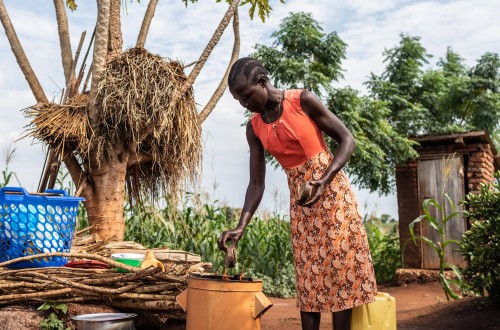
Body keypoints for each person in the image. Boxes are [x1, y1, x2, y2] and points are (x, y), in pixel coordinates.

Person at [217, 57, 378, 330]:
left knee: (342, 273)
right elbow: (256, 183)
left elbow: (347, 140)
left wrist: (324, 179)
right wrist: (240, 226)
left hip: (333, 196)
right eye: (239, 101)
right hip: (301, 205)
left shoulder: (302, 100)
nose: (245, 104)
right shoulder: (254, 128)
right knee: (309, 281)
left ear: (263, 82)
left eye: (246, 97)